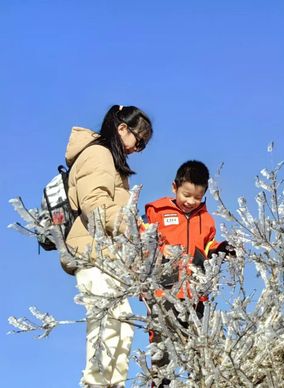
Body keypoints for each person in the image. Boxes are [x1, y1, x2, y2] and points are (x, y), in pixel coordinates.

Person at [65, 105, 153, 387]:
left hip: (107, 258)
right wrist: (132, 227)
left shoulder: (109, 160)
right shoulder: (99, 154)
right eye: (138, 141)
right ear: (122, 129)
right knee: (106, 327)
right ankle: (96, 384)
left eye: (143, 146)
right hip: (92, 255)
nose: (137, 149)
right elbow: (94, 206)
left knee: (121, 325)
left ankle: (113, 384)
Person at [144, 160, 235, 386]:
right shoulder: (157, 212)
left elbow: (207, 246)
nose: (191, 202)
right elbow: (143, 239)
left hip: (196, 293)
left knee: (201, 346)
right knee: (163, 344)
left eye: (197, 197)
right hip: (164, 292)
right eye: (187, 195)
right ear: (174, 187)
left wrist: (220, 248)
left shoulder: (206, 219)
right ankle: (161, 383)